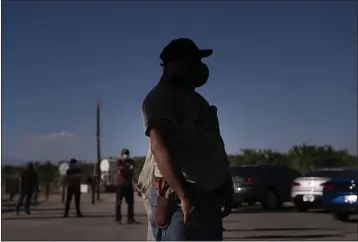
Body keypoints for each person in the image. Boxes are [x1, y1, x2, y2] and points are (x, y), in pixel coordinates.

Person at [139, 38, 234, 241]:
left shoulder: (199, 101)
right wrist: (184, 196)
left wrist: (226, 185)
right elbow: (160, 147)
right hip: (179, 200)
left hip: (209, 197)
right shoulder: (160, 98)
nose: (200, 68)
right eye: (193, 62)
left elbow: (215, 144)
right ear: (175, 65)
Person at [115, 148, 137, 224]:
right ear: (121, 154)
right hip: (120, 184)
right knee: (118, 202)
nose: (126, 155)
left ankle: (130, 219)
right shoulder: (119, 161)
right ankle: (118, 219)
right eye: (124, 154)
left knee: (130, 202)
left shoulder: (131, 161)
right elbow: (121, 171)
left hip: (128, 184)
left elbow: (132, 170)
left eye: (127, 154)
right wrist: (127, 168)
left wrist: (126, 169)